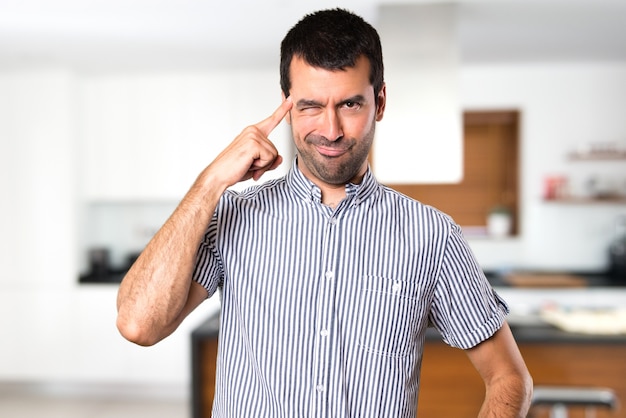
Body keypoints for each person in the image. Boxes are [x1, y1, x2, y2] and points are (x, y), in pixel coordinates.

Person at [116, 8, 532, 417]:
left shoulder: (432, 236)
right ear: (287, 104)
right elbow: (139, 324)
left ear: (380, 101)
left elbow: (509, 378)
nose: (331, 131)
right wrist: (210, 182)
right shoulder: (232, 216)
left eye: (350, 105)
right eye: (311, 106)